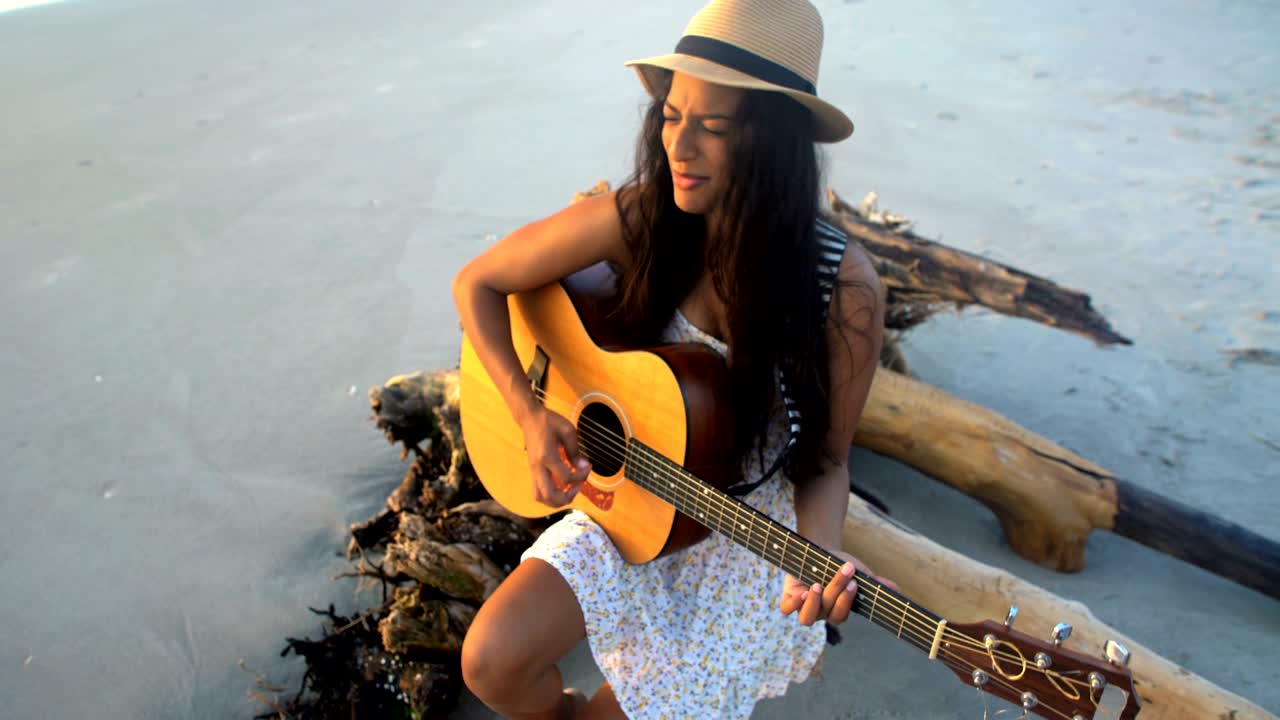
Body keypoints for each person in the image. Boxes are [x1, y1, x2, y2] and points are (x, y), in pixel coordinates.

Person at [451, 1, 888, 718]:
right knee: (491, 664)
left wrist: (818, 558)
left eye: (713, 127)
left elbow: (827, 461)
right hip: (635, 490)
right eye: (672, 115)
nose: (679, 146)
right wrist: (528, 415)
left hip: (743, 541)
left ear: (772, 144)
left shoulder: (841, 289)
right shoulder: (643, 218)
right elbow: (479, 282)